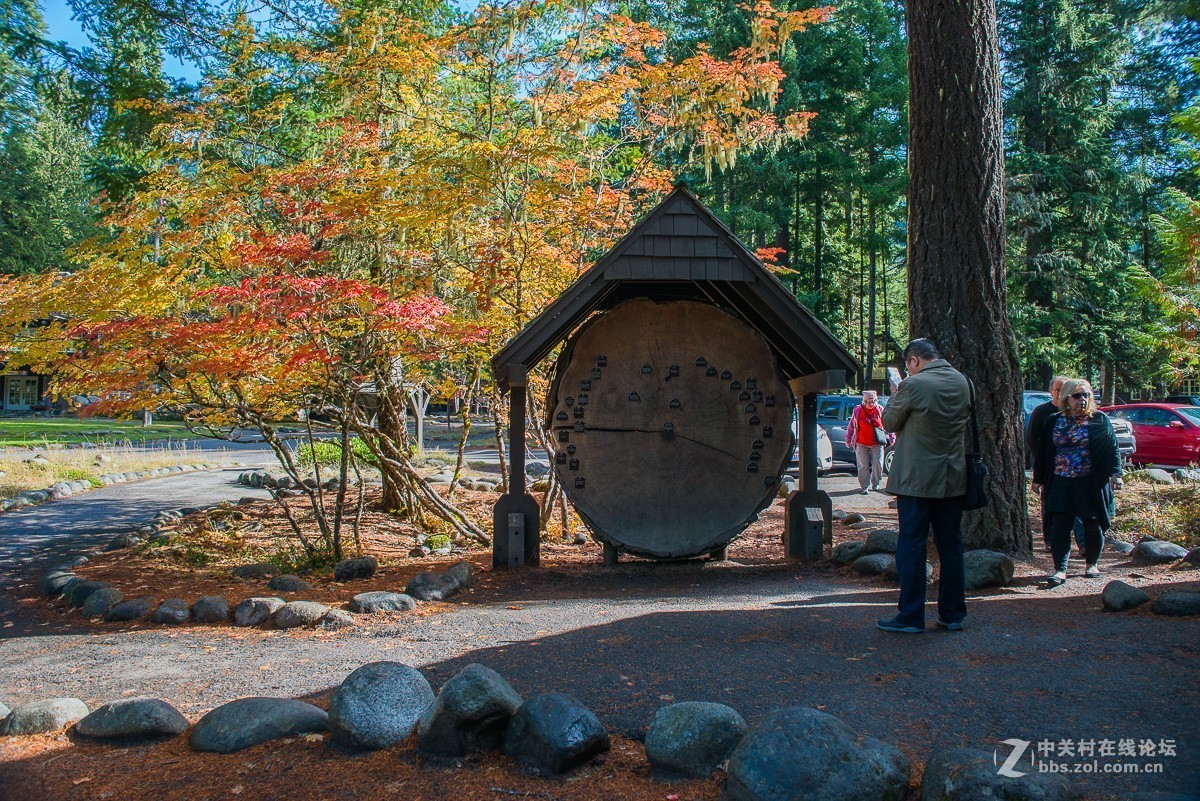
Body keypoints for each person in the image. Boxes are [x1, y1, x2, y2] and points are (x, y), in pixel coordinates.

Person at [877, 338, 971, 634]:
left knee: (912, 546)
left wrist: (895, 392)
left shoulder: (913, 385)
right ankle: (953, 613)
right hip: (952, 476)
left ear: (915, 360)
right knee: (951, 545)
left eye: (909, 366)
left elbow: (889, 422)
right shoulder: (963, 382)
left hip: (916, 480)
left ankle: (911, 616)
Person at [1031, 378, 1122, 587]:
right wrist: (1038, 479)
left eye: (1086, 395)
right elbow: (1043, 452)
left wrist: (1116, 474)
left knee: (1092, 523)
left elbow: (1112, 448)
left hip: (1091, 481)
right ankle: (1060, 569)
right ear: (1066, 398)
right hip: (1060, 481)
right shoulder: (1054, 420)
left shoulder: (1099, 419)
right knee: (1060, 525)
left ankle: (1091, 564)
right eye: (1077, 395)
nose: (1082, 400)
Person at [1027, 376, 1086, 552]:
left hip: (1076, 472)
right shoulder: (1043, 412)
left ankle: (1083, 543)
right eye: (1057, 389)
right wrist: (1043, 463)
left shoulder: (1079, 415)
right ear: (1051, 391)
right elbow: (1033, 439)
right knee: (1050, 506)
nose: (1060, 393)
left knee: (1078, 507)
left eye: (1064, 390)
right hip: (1049, 469)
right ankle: (1050, 540)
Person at [845, 390, 891, 494]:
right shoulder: (858, 410)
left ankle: (875, 483)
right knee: (863, 466)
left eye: (872, 401)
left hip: (877, 443)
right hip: (861, 443)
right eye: (867, 402)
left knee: (878, 464)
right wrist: (848, 439)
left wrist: (891, 438)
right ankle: (864, 486)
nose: (870, 404)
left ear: (876, 400)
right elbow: (852, 426)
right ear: (864, 401)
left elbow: (887, 425)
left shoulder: (880, 409)